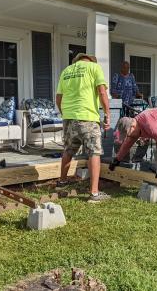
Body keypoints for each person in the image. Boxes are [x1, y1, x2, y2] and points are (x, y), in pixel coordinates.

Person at [56, 53, 111, 203]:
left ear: (77, 61)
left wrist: (65, 114)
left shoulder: (66, 71)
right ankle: (94, 193)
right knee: (94, 152)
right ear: (91, 60)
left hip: (68, 117)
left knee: (68, 150)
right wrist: (107, 114)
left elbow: (58, 98)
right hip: (87, 117)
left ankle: (61, 182)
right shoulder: (94, 67)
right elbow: (102, 92)